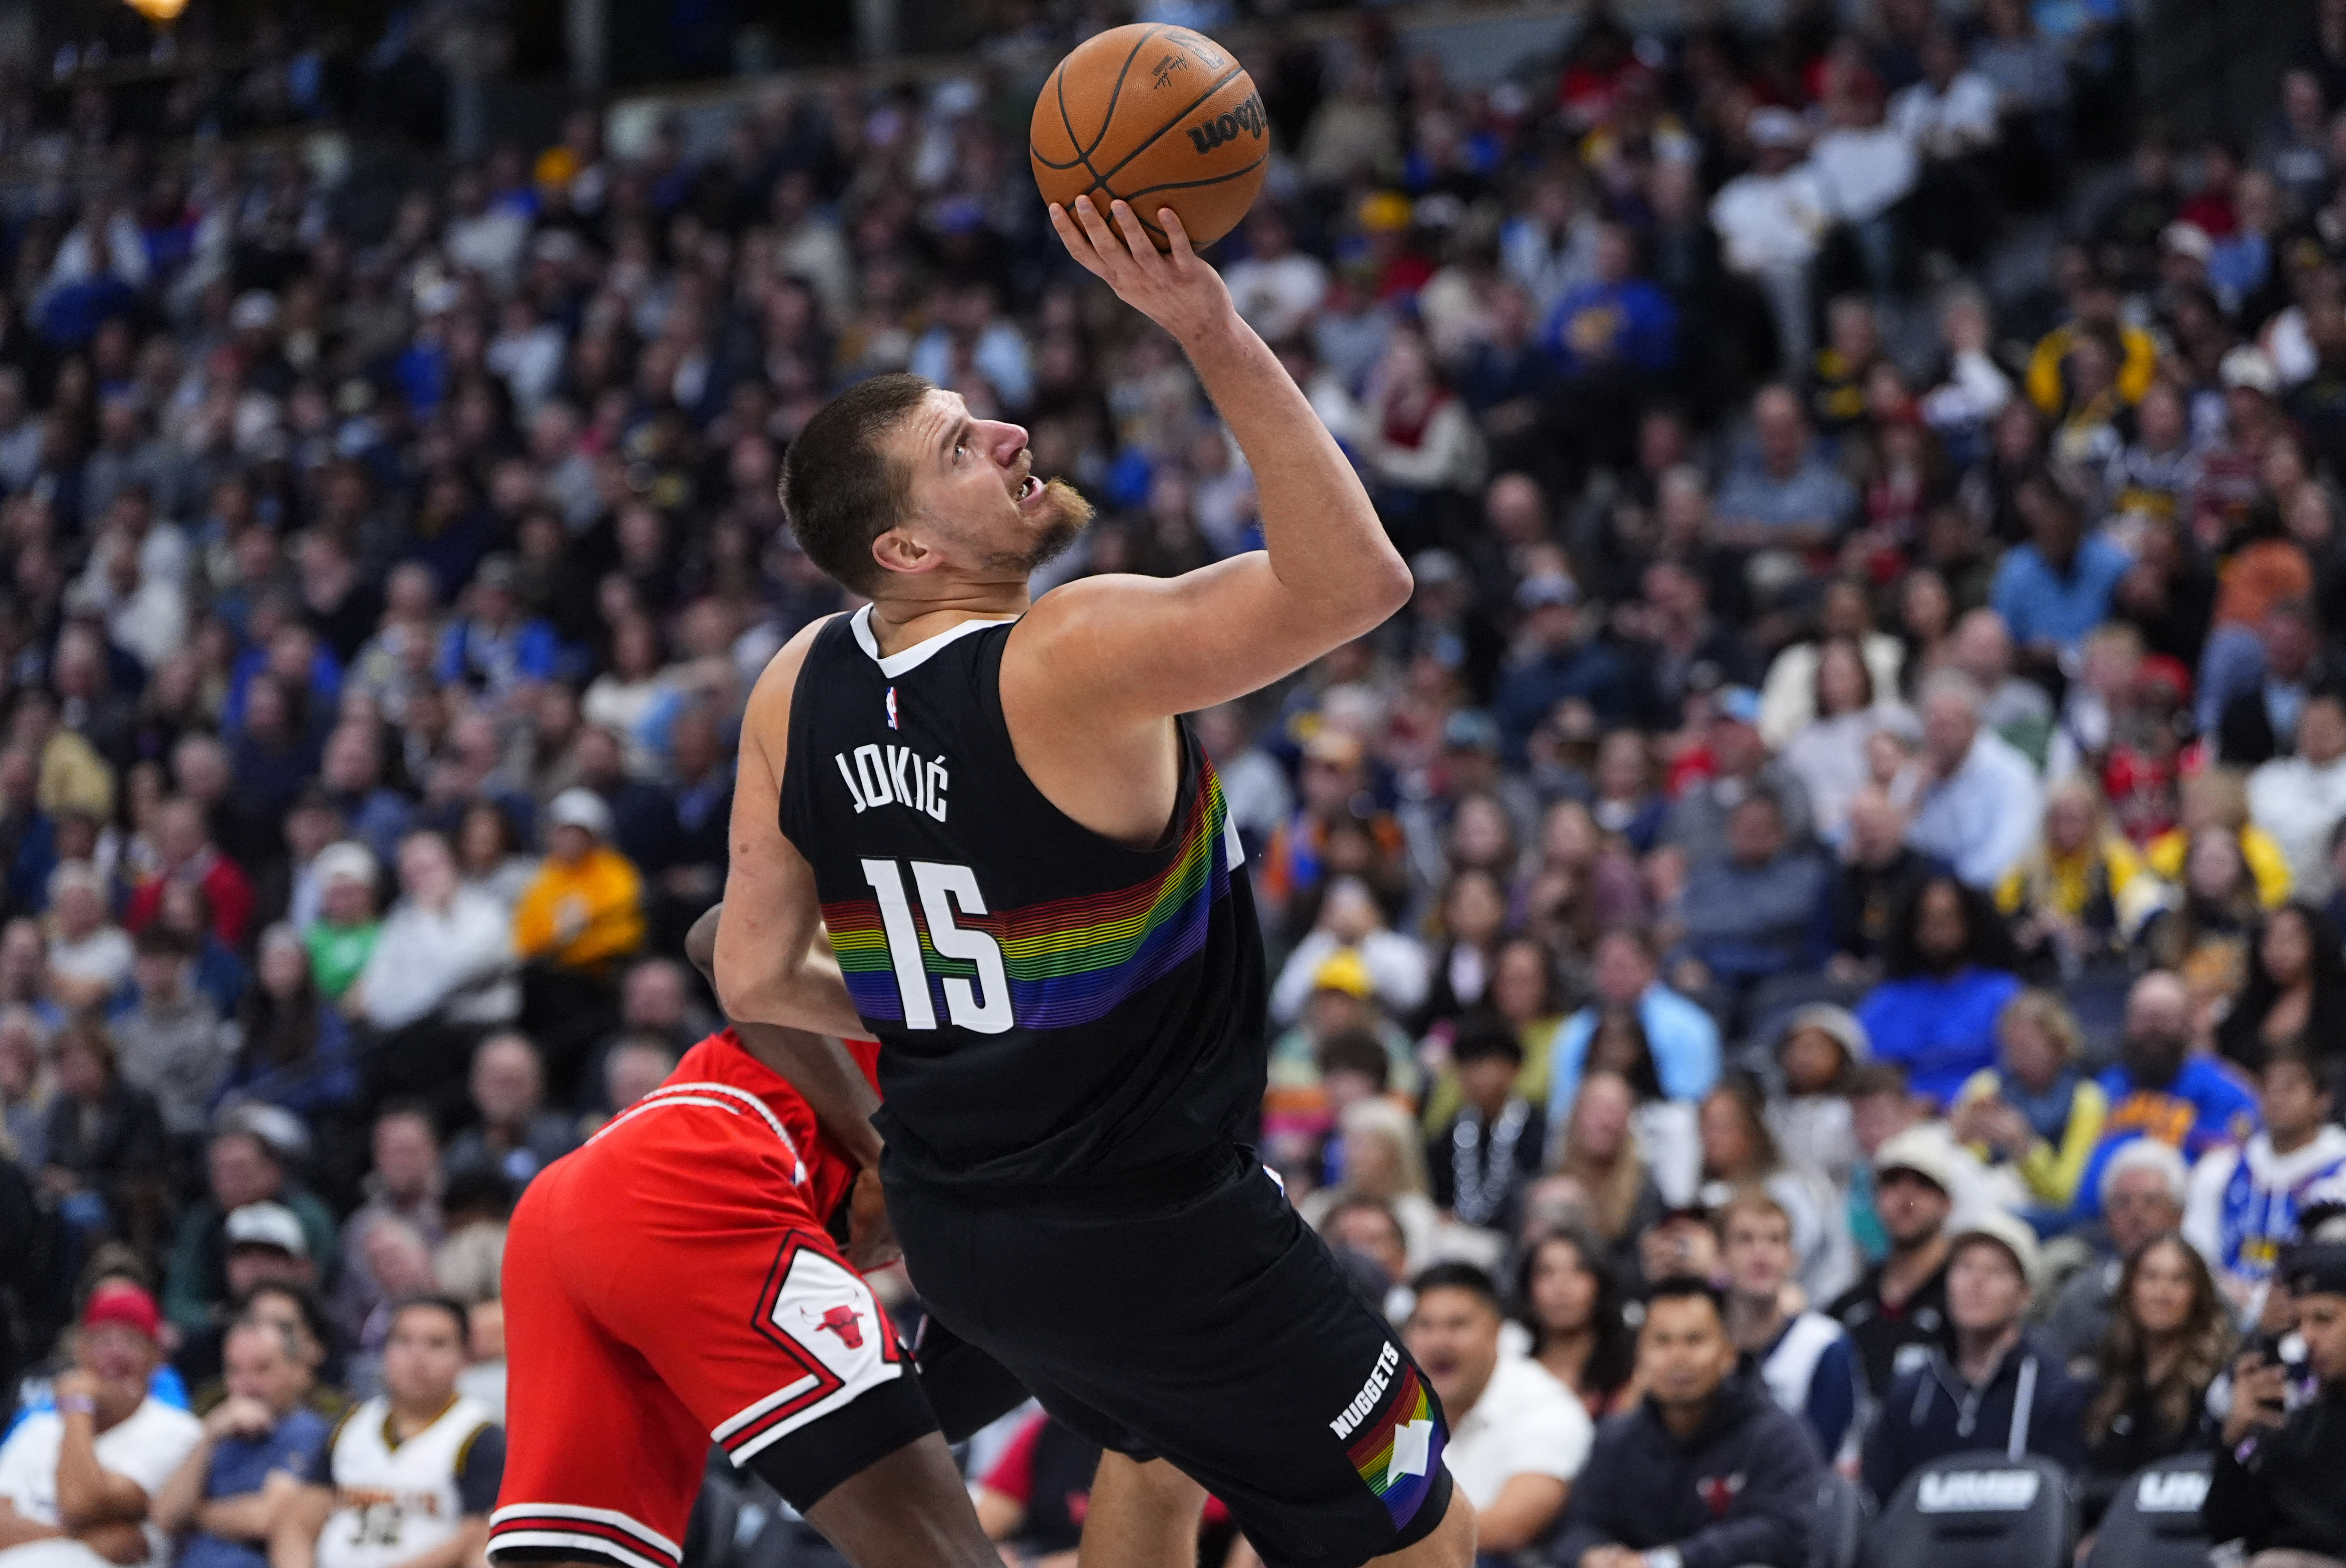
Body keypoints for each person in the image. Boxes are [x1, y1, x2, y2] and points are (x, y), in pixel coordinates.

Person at [716, 195, 1475, 1568]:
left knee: (1155, 1440)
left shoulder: (800, 674)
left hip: (964, 1232)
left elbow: (750, 965)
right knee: (1422, 1530)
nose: (1006, 432)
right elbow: (1355, 580)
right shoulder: (1063, 650)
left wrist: (951, 1010)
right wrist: (1208, 327)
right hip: (1154, 1233)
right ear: (907, 550)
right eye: (959, 444)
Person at [487, 903, 1020, 1568]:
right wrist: (877, 1151)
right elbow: (726, 931)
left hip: (578, 1200)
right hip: (703, 1171)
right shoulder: (1008, 933)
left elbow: (992, 1343)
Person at [1550, 1277, 1822, 1568]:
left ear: (1728, 1353)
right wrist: (1595, 1555)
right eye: (1662, 1341)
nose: (1678, 1357)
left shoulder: (1776, 1436)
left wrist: (1669, 1561)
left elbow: (1782, 1532)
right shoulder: (1615, 1438)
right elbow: (1579, 1528)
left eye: (1695, 1340)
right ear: (1640, 1355)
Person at [1860, 1212, 2089, 1504]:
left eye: (1996, 1271)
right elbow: (1879, 1499)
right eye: (1965, 1268)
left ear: (2025, 1295)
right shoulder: (1910, 1392)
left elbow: (2062, 1502)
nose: (1976, 1283)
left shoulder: (2055, 1392)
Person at [273, 1298, 503, 1568]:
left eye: (437, 1343)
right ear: (383, 1352)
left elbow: (475, 1535)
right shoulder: (352, 1423)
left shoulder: (480, 1433)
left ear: (465, 1357)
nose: (418, 1357)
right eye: (404, 1341)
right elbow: (300, 1521)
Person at [0, 1282, 203, 1568]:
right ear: (80, 1350)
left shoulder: (178, 1432)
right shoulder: (37, 1428)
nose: (115, 1353)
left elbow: (79, 1502)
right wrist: (81, 1539)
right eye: (103, 1339)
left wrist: (77, 1407)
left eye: (131, 1340)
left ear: (157, 1357)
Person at [1401, 1264, 1591, 1556]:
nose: (1439, 1342)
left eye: (1457, 1324)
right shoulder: (1404, 1405)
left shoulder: (1548, 1408)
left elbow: (1510, 1527)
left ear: (1496, 1331)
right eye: (1424, 1325)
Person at [2200, 1240, 2346, 1565]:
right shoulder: (2305, 1421)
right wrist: (2236, 1443)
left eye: (2324, 1319)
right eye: (2300, 1323)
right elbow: (2227, 1533)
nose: (2307, 1336)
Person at [2076, 969, 2261, 1222]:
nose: (2153, 1029)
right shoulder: (2106, 1088)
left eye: (2163, 1018)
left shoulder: (2222, 1088)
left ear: (2187, 1024)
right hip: (2089, 1224)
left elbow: (2236, 1164)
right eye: (2144, 1018)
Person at [152, 1316, 334, 1568]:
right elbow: (165, 1517)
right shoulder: (218, 1431)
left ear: (295, 1370)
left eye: (262, 1369)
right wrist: (209, 1437)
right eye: (235, 1370)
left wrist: (195, 1514)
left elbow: (268, 1519)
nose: (247, 1385)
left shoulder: (311, 1434)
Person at [2078, 1233, 2229, 1527]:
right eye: (2151, 1276)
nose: (2163, 1291)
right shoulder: (2107, 1370)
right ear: (2129, 1288)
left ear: (2198, 1294)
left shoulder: (2217, 1380)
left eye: (2179, 1279)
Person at [2184, 1048, 2346, 1315]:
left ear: (2323, 1099)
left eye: (2290, 1087)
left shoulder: (2340, 1173)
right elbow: (2194, 1252)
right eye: (2267, 1087)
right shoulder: (2219, 1168)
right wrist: (2221, 1289)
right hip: (2222, 1309)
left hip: (2305, 1313)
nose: (2276, 1098)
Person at [1856, 875, 2025, 1109]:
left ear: (1970, 923)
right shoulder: (1888, 1000)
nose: (1938, 931)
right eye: (1927, 920)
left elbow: (2020, 1073)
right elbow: (1867, 1076)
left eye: (1949, 918)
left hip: (1982, 1118)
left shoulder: (2002, 994)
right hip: (1901, 1124)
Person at [1719, 1188, 1862, 1462]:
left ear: (1793, 1258)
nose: (1760, 1254)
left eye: (1775, 1240)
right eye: (1745, 1239)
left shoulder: (1823, 1345)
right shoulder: (1700, 1341)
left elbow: (1819, 1457)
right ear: (1720, 1258)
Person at [1949, 990, 2109, 1217]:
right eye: (2012, 1047)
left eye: (2029, 1046)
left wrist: (2025, 1146)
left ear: (2058, 1045)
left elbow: (2064, 1194)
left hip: (2051, 1217)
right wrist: (1961, 1138)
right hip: (1988, 1204)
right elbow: (1965, 1170)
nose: (2019, 1058)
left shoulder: (2086, 1099)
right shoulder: (1986, 1087)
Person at [1546, 928, 1721, 1133]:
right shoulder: (1575, 1031)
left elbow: (1693, 1108)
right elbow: (1561, 1108)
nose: (1613, 976)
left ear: (1650, 966)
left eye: (1621, 966)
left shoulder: (1692, 1027)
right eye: (1605, 966)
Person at [2039, 1140, 2191, 1373]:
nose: (2136, 1214)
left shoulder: (2206, 1289)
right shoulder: (2081, 1294)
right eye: (2122, 1202)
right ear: (2108, 1217)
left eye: (2151, 1202)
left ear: (2179, 1215)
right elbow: (2049, 1370)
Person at [1829, 1129, 1958, 1395]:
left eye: (1923, 1183)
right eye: (1892, 1182)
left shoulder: (1965, 1303)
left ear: (1947, 1203)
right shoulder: (1850, 1305)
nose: (1906, 1198)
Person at [1901, 671, 2044, 890]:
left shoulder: (2012, 776)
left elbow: (2006, 859)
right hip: (1922, 896)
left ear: (1975, 724)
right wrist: (1912, 803)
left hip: (1984, 898)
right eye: (1933, 724)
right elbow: (1897, 848)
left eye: (1948, 725)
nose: (1939, 735)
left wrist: (1948, 884)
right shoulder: (1916, 774)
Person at [1424, 1017, 1544, 1234]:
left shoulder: (1535, 1126)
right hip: (1458, 1234)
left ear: (1512, 1070)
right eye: (1465, 1067)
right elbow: (1439, 1189)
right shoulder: (1454, 1129)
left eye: (1481, 1066)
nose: (1472, 1077)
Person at [1516, 1227, 1640, 1419]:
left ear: (1601, 1282)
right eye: (1546, 1272)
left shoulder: (1633, 1371)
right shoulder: (1513, 1376)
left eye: (1579, 1270)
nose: (1561, 1288)